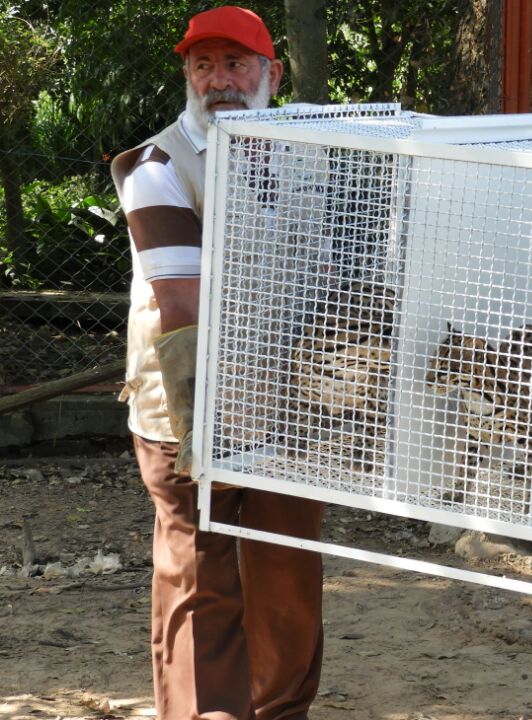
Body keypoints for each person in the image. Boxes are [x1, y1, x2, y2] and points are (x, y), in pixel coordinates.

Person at [109, 7, 327, 718]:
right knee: (199, 579)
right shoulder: (155, 166)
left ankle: (282, 710)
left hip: (289, 401)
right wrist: (208, 427)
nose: (218, 81)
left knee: (288, 571)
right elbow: (180, 301)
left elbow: (329, 273)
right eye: (203, 65)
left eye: (235, 63)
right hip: (186, 405)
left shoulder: (309, 151)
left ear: (272, 73)